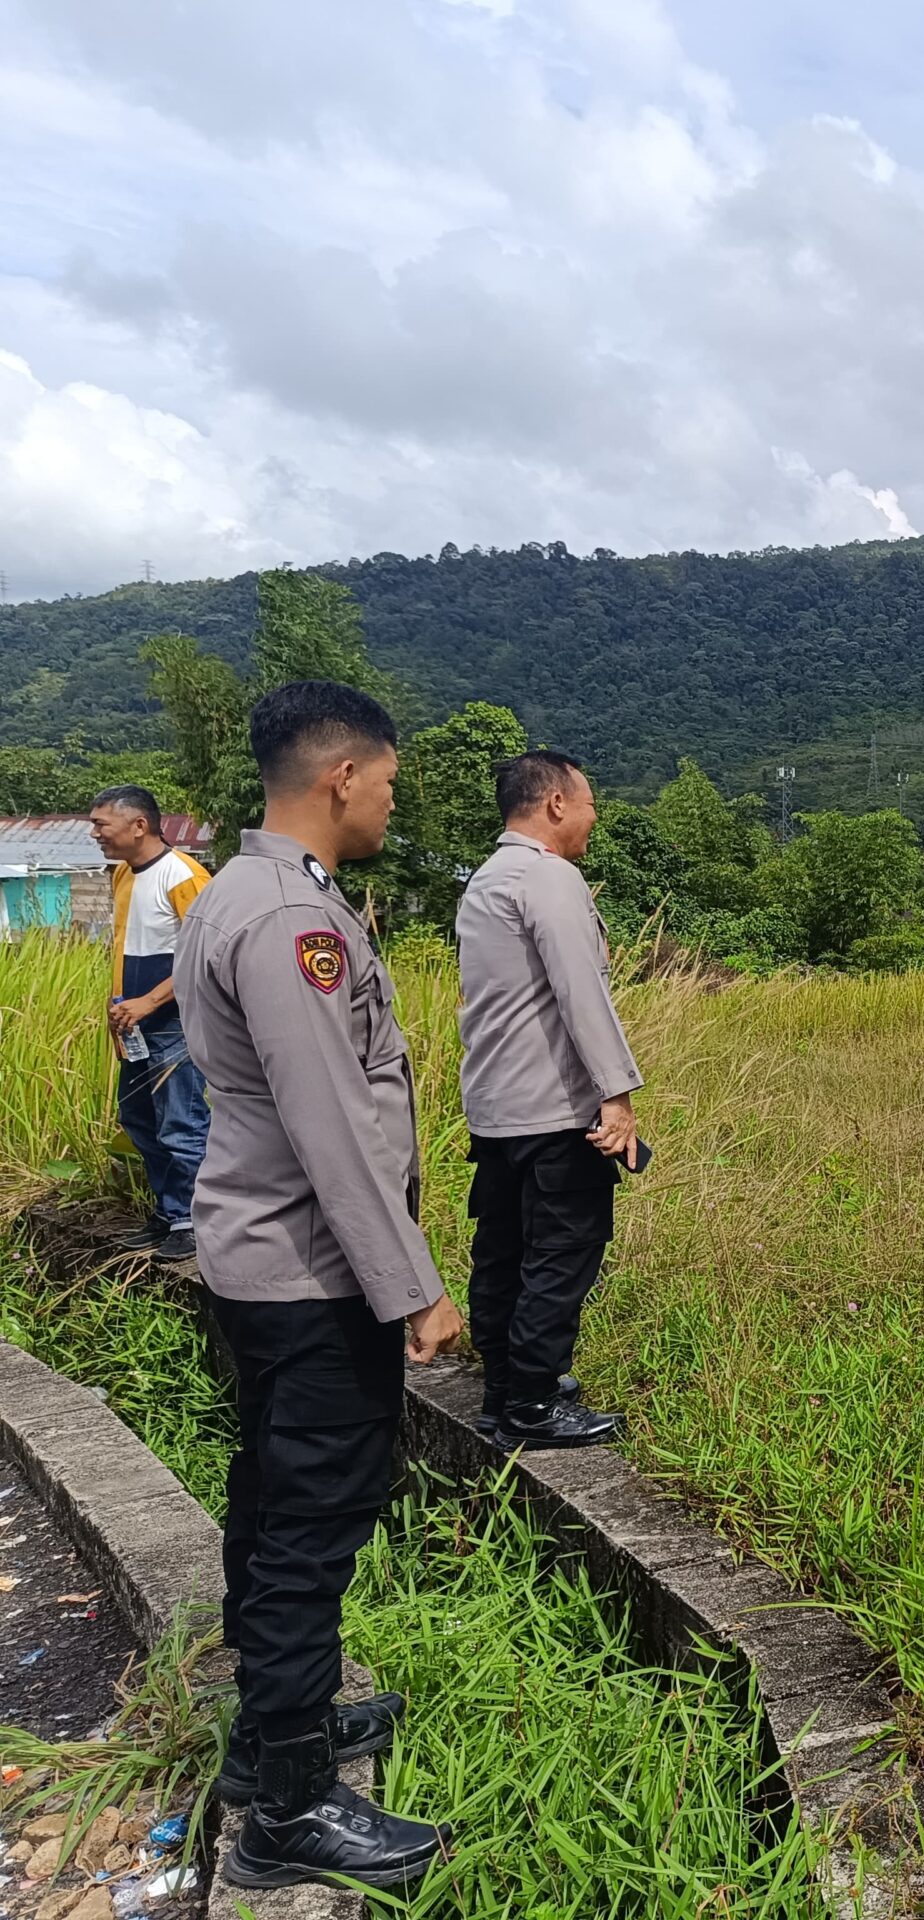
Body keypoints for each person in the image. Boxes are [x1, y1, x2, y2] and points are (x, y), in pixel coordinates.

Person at [173, 680, 461, 1892]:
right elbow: (332, 1124)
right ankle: (287, 1812)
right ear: (340, 776)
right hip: (307, 1271)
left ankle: (267, 1741)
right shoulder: (296, 924)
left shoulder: (236, 893)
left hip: (261, 1261)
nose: (392, 802)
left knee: (270, 1500)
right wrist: (412, 1290)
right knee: (307, 1532)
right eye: (389, 782)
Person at [455, 749, 641, 1450]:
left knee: (503, 1248)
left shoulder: (487, 880)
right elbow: (580, 993)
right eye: (590, 803)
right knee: (563, 1249)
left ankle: (503, 1386)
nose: (595, 817)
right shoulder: (550, 877)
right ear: (556, 803)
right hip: (556, 1109)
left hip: (498, 1107)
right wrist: (615, 1096)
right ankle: (532, 1402)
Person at [90, 786, 211, 1267]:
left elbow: (204, 955)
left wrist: (149, 1001)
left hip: (173, 1025)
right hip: (134, 1024)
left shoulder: (185, 876)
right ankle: (168, 1211)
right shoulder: (122, 873)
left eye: (102, 824)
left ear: (139, 825)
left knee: (182, 1123)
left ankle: (194, 1221)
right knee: (139, 1119)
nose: (95, 832)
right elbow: (127, 942)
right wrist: (119, 1006)